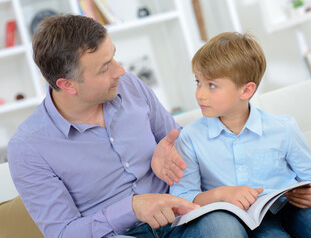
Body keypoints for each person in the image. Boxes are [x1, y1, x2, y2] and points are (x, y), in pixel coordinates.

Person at [6, 15, 239, 238]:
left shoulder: (129, 87)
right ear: (68, 85)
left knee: (223, 227)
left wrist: (174, 154)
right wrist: (133, 208)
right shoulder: (28, 147)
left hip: (178, 218)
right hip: (117, 234)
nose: (121, 71)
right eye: (105, 68)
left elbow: (180, 144)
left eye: (113, 57)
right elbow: (63, 233)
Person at [170, 32, 311, 237]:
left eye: (212, 85)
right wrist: (221, 195)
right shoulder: (190, 137)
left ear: (246, 91)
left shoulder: (282, 127)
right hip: (242, 221)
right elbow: (183, 196)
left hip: (294, 208)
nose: (200, 93)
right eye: (198, 82)